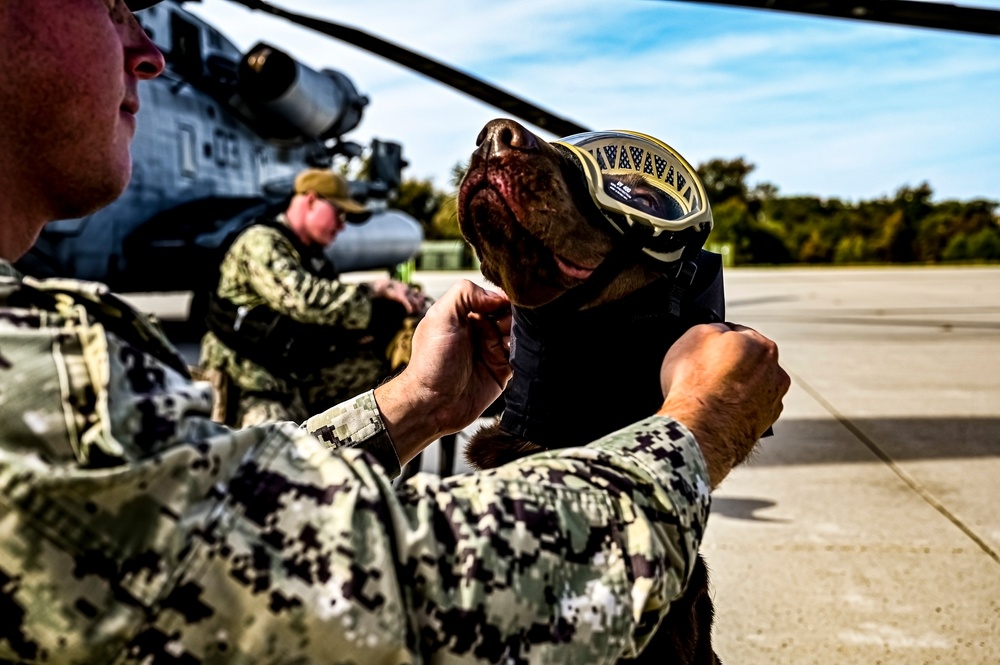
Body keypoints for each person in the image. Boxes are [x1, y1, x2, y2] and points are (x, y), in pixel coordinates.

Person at [0, 2, 790, 664]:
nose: (148, 53)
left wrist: (411, 404)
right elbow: (388, 594)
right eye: (107, 4)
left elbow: (220, 527)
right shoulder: (36, 367)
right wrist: (697, 428)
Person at [200, 167, 427, 428]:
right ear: (310, 200)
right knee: (285, 453)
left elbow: (331, 320)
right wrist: (376, 291)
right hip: (250, 381)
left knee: (385, 381)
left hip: (294, 374)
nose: (342, 225)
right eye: (339, 213)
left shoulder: (313, 258)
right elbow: (305, 299)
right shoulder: (261, 241)